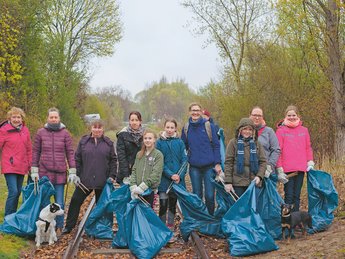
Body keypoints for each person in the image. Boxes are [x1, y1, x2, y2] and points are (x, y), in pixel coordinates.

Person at [62, 119, 117, 234]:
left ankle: (104, 228)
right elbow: (77, 159)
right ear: (91, 128)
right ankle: (69, 226)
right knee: (75, 201)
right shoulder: (84, 142)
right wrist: (77, 174)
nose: (97, 130)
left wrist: (112, 175)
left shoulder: (108, 143)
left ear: (103, 129)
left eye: (99, 127)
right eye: (95, 127)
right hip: (85, 181)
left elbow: (113, 160)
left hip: (102, 181)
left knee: (104, 206)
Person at [31, 107, 76, 230]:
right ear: (48, 118)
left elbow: (70, 152)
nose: (53, 119)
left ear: (59, 118)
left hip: (60, 173)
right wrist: (34, 169)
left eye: (55, 117)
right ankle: (44, 226)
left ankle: (59, 227)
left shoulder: (65, 133)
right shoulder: (41, 133)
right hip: (44, 173)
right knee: (45, 202)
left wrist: (72, 170)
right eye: (51, 117)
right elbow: (36, 152)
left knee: (59, 202)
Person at [181, 103, 222, 215]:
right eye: (193, 110)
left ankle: (210, 218)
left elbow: (216, 145)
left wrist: (217, 163)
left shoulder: (208, 126)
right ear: (189, 112)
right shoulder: (186, 128)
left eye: (197, 110)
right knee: (197, 195)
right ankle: (200, 218)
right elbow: (183, 146)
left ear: (200, 112)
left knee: (209, 195)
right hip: (194, 167)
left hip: (209, 166)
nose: (195, 112)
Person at [276, 105, 314, 211]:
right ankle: (288, 221)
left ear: (298, 116)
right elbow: (278, 150)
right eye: (289, 115)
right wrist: (279, 168)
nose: (291, 117)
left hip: (300, 168)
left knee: (297, 196)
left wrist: (310, 161)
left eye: (294, 115)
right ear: (285, 116)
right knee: (289, 195)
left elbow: (308, 147)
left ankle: (296, 221)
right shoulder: (281, 131)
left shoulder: (304, 130)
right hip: (287, 170)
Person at [156, 118, 187, 231]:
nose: (169, 130)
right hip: (164, 179)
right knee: (163, 202)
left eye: (172, 128)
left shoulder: (179, 142)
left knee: (173, 202)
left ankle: (170, 224)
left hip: (177, 180)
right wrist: (170, 175)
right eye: (167, 127)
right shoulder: (159, 142)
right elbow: (160, 162)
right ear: (164, 128)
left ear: (175, 129)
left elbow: (184, 160)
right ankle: (161, 225)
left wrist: (179, 175)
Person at [0, 107, 32, 216]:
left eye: (18, 117)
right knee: (13, 192)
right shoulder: (4, 130)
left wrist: (30, 164)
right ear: (10, 118)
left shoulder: (25, 130)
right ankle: (8, 217)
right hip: (9, 165)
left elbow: (29, 149)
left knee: (18, 192)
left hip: (22, 166)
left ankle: (12, 216)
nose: (16, 119)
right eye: (14, 117)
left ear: (21, 118)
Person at [223, 118, 267, 197]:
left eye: (250, 129)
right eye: (245, 129)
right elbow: (228, 163)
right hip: (237, 183)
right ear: (240, 130)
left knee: (253, 208)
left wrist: (259, 176)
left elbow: (263, 162)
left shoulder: (257, 144)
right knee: (240, 208)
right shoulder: (233, 143)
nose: (247, 131)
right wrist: (228, 182)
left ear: (253, 131)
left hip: (254, 182)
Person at [249, 106, 287, 183]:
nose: (257, 118)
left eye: (259, 116)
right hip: (248, 173)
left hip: (267, 172)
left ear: (262, 117)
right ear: (250, 115)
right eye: (254, 115)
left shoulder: (269, 131)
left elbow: (276, 150)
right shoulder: (244, 131)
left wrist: (269, 165)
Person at [129, 129, 164, 207]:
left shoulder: (158, 155)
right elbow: (134, 170)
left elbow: (156, 173)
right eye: (145, 138)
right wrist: (133, 185)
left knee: (147, 212)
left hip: (149, 190)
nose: (147, 140)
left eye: (150, 138)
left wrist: (143, 187)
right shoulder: (139, 154)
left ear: (154, 140)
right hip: (137, 189)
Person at [116, 111, 144, 184]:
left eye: (136, 120)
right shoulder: (122, 134)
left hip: (141, 172)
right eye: (132, 120)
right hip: (126, 172)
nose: (134, 122)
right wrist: (126, 175)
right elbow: (121, 156)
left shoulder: (145, 135)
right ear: (129, 121)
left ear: (140, 121)